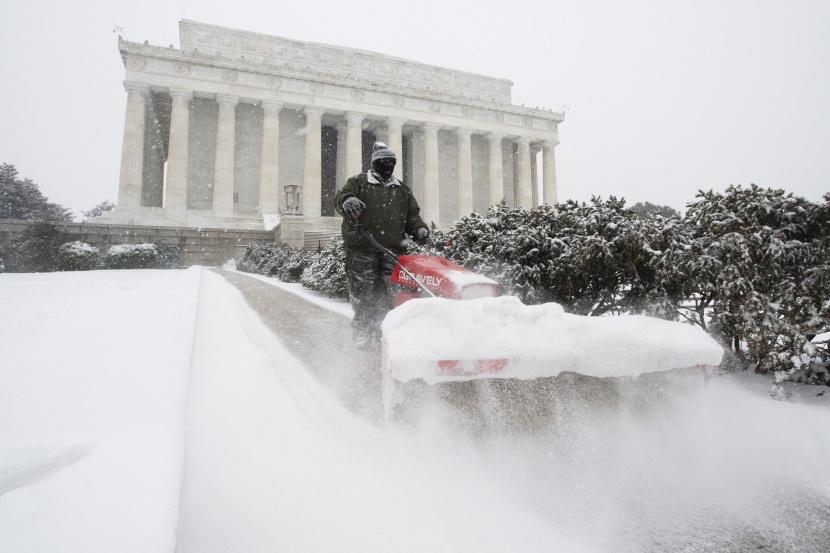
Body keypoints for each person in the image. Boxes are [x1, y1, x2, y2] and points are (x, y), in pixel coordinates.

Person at [334, 142, 430, 350]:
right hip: (362, 247)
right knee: (363, 293)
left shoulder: (402, 189)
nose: (389, 164)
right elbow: (340, 197)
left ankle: (385, 332)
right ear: (375, 163)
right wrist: (348, 200)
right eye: (385, 161)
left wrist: (419, 229)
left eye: (392, 162)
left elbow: (412, 216)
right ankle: (363, 332)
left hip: (393, 251)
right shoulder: (358, 182)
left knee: (392, 294)